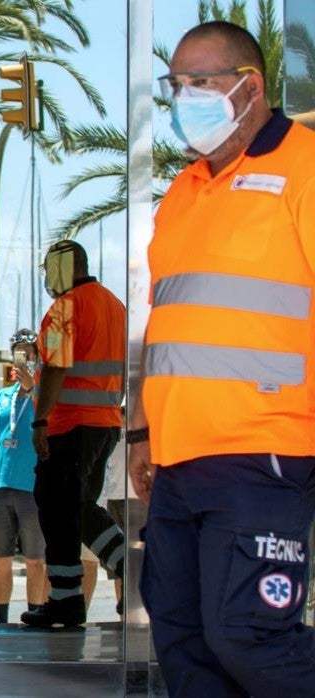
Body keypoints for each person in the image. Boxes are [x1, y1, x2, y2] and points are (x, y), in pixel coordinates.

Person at [130, 21, 315, 696]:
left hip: (263, 457)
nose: (186, 97)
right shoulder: (183, 192)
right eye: (176, 85)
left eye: (201, 82)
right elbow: (168, 325)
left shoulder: (306, 168)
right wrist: (144, 431)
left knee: (249, 638)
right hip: (179, 464)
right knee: (185, 644)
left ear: (251, 86)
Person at [21, 240, 127, 629]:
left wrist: (40, 421)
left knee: (56, 508)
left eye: (49, 269)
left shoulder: (65, 308)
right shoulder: (114, 305)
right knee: (79, 507)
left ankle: (65, 601)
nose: (47, 277)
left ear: (63, 268)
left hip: (70, 427)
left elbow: (55, 368)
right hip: (105, 425)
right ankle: (129, 567)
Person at [0, 330, 46, 624]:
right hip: (1, 485)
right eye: (18, 352)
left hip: (32, 486)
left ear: (37, 356)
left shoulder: (44, 393)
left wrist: (32, 389)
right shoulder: (1, 397)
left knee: (35, 560)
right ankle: (1, 621)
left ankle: (34, 615)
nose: (23, 358)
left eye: (28, 352)